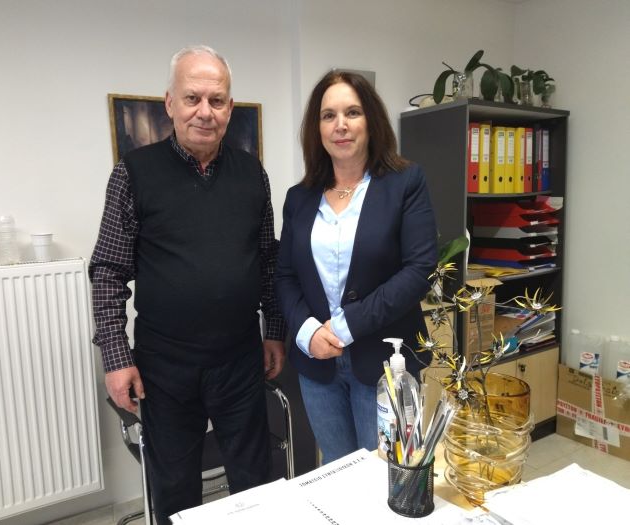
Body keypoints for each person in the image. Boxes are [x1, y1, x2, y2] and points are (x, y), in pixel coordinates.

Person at [89, 45, 286, 523]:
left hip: (240, 358)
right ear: (170, 103)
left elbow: (268, 261)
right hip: (165, 366)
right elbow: (108, 270)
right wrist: (116, 358)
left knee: (256, 483)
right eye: (192, 98)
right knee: (174, 489)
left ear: (230, 108)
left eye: (216, 101)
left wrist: (275, 331)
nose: (205, 111)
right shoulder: (133, 173)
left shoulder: (252, 174)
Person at [275, 71, 437, 464]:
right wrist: (306, 331)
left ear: (371, 120)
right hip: (318, 365)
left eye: (352, 112)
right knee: (336, 469)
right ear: (317, 129)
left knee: (389, 473)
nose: (340, 125)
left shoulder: (405, 182)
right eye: (328, 115)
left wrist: (348, 324)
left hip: (385, 362)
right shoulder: (299, 198)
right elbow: (285, 275)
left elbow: (419, 269)